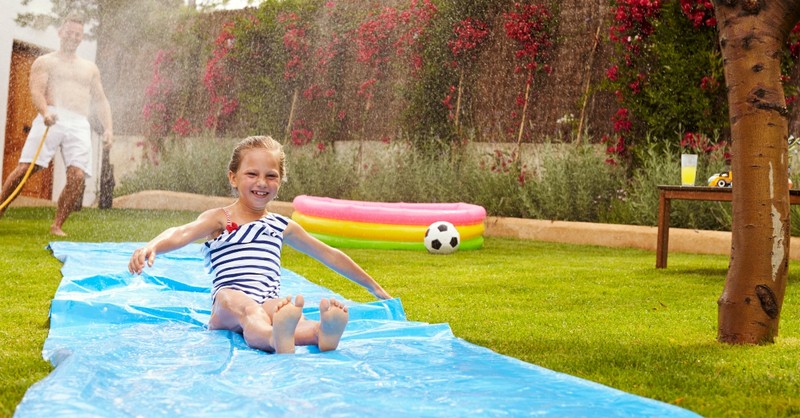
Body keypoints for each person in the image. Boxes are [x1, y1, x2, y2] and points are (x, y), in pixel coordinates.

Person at [128, 136, 392, 354]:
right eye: (252, 174)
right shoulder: (222, 217)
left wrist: (375, 287)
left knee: (286, 313)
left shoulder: (280, 225)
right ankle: (275, 338)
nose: (262, 182)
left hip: (268, 298)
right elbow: (182, 232)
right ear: (233, 177)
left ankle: (321, 333)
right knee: (250, 310)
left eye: (271, 175)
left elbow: (328, 254)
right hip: (228, 301)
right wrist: (152, 246)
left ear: (280, 180)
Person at [0, 12, 114, 236]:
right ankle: (1, 208)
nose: (73, 37)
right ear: (60, 33)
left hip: (79, 121)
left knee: (78, 177)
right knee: (27, 168)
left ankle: (57, 225)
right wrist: (44, 112)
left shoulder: (89, 68)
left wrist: (109, 128)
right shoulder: (45, 62)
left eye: (77, 34)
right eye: (69, 32)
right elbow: (36, 91)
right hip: (52, 116)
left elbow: (101, 100)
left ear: (81, 38)